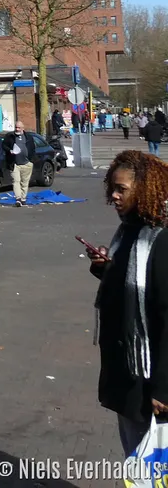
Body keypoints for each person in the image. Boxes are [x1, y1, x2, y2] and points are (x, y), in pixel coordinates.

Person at [86, 150, 168, 456]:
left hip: (149, 377)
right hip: (127, 368)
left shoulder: (160, 238)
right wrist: (103, 266)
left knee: (150, 463)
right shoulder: (129, 229)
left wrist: (163, 386)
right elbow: (127, 286)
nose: (114, 196)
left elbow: (165, 314)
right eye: (113, 188)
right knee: (135, 458)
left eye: (122, 189)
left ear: (145, 189)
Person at [2, 122, 37, 207]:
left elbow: (33, 148)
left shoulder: (28, 137)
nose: (17, 129)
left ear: (23, 128)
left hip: (26, 164)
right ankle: (18, 199)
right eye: (16, 127)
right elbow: (4, 145)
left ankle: (23, 199)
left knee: (24, 182)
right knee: (16, 181)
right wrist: (10, 150)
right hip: (14, 164)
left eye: (19, 128)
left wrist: (30, 160)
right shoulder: (10, 136)